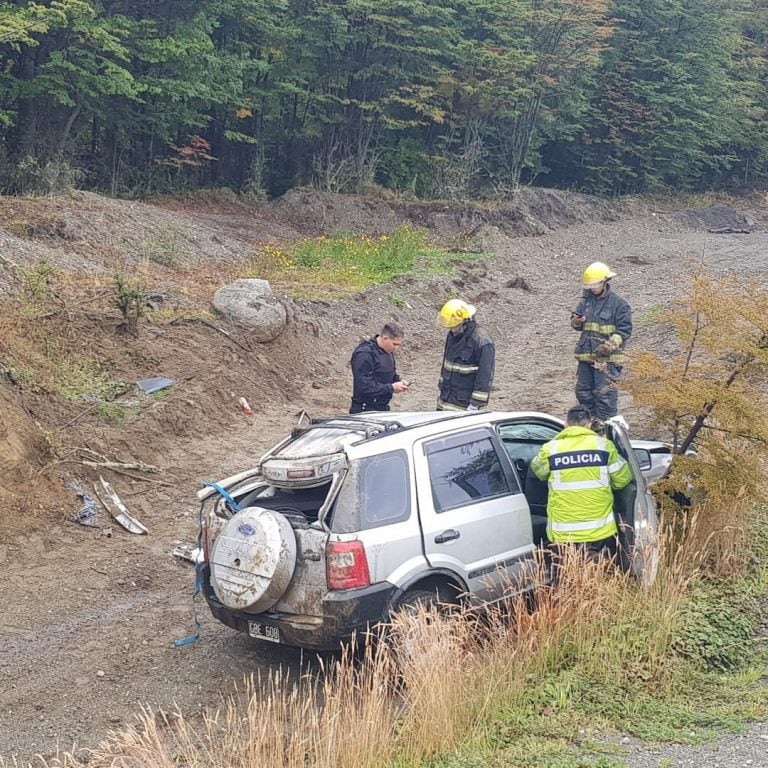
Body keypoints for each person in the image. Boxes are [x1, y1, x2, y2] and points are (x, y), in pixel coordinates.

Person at [530, 405, 631, 564]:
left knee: (567, 575)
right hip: (599, 531)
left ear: (565, 424)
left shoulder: (551, 449)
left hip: (563, 533)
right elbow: (622, 480)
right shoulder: (604, 447)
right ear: (589, 425)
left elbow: (538, 472)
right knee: (599, 573)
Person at [570, 261, 632, 430]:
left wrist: (609, 346)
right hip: (586, 357)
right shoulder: (586, 301)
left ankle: (605, 429)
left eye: (595, 284)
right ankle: (587, 427)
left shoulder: (620, 305)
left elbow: (624, 330)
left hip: (608, 361)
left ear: (605, 282)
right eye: (589, 285)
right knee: (583, 393)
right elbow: (576, 324)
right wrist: (576, 321)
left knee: (605, 395)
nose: (592, 288)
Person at [436, 299, 495, 411]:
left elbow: (484, 377)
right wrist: (441, 390)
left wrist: (475, 404)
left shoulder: (482, 342)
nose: (451, 330)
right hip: (446, 399)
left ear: (465, 322)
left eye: (454, 326)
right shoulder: (453, 336)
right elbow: (446, 366)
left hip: (465, 405)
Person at [349, 323, 409, 414]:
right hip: (364, 409)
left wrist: (398, 381)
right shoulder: (365, 354)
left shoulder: (388, 351)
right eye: (395, 344)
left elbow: (386, 373)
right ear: (385, 338)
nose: (396, 348)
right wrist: (391, 388)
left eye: (399, 345)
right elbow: (364, 387)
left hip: (382, 407)